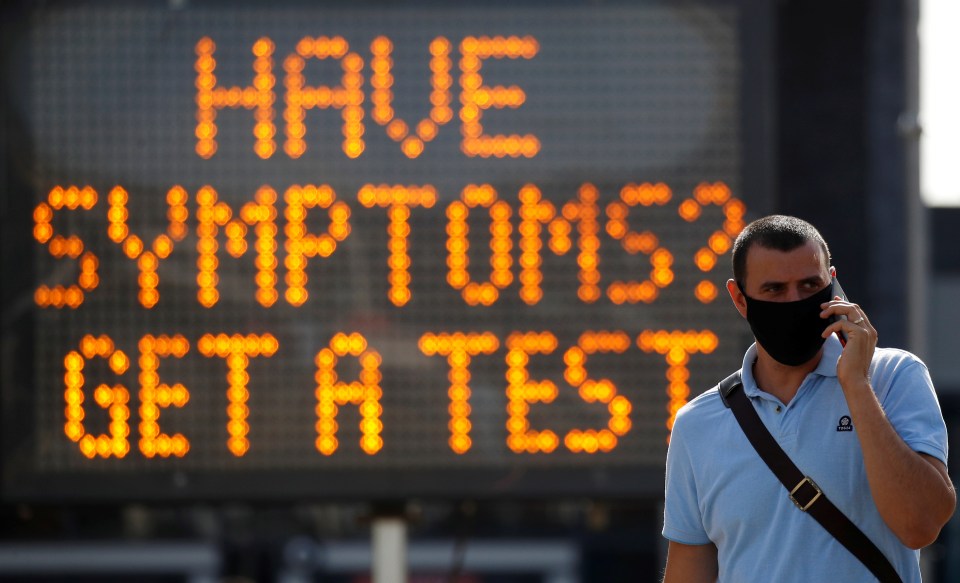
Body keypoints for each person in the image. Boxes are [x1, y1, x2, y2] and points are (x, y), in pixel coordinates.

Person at [661, 215, 955, 582]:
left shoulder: (894, 376)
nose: (795, 301)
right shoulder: (699, 423)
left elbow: (921, 525)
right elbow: (689, 571)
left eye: (809, 285)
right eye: (774, 290)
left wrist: (857, 386)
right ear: (740, 299)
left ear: (833, 286)